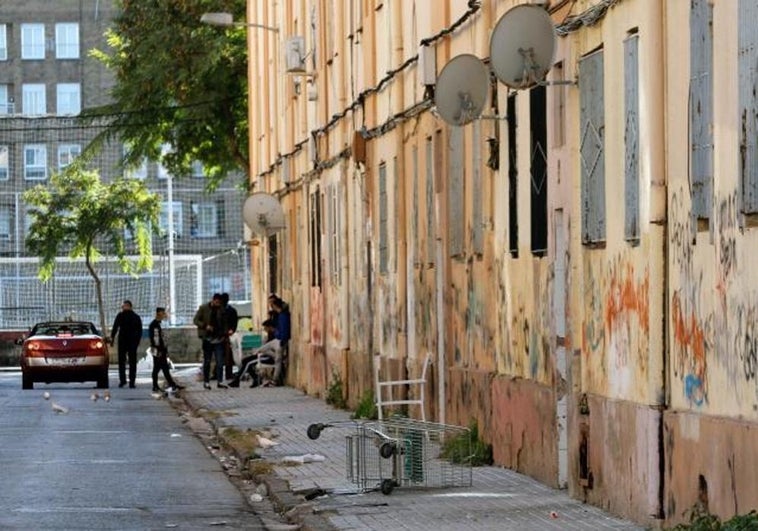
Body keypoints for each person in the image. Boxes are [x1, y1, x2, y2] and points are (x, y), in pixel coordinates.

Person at [227, 319, 281, 388]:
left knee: (248, 363)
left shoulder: (275, 336)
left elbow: (271, 350)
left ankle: (237, 380)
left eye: (265, 328)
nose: (264, 329)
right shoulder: (270, 335)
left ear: (270, 327)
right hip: (264, 355)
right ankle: (256, 378)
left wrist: (260, 352)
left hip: (269, 357)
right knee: (245, 360)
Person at [193, 293, 228, 389]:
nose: (218, 304)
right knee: (207, 361)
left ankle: (220, 381)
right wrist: (205, 326)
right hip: (207, 339)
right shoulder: (204, 308)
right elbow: (196, 320)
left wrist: (225, 335)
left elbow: (225, 323)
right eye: (216, 302)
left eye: (219, 303)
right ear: (213, 300)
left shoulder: (222, 310)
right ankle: (206, 382)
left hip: (219, 339)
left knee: (220, 361)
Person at [109, 300, 143, 389]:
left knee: (123, 362)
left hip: (125, 341)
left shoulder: (122, 316)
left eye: (124, 306)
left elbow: (115, 328)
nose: (123, 308)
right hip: (130, 342)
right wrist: (137, 342)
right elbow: (115, 327)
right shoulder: (135, 317)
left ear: (129, 306)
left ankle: (124, 381)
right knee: (130, 362)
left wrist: (112, 338)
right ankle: (130, 381)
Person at [148, 307, 183, 393]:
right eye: (163, 313)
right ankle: (156, 386)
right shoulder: (155, 325)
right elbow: (156, 339)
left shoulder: (158, 324)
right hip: (158, 350)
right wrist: (160, 350)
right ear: (159, 313)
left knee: (164, 368)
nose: (165, 315)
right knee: (157, 368)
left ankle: (172, 385)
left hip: (159, 349)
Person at [269, 296, 291, 386]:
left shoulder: (283, 316)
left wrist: (276, 333)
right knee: (262, 349)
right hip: (277, 339)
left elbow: (284, 330)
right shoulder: (278, 315)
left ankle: (275, 380)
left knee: (278, 360)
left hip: (280, 340)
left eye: (271, 304)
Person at [220, 293, 238, 380]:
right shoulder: (218, 310)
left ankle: (228, 374)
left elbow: (234, 323)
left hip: (228, 336)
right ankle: (218, 373)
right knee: (219, 355)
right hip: (219, 335)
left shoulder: (231, 311)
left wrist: (232, 330)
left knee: (228, 356)